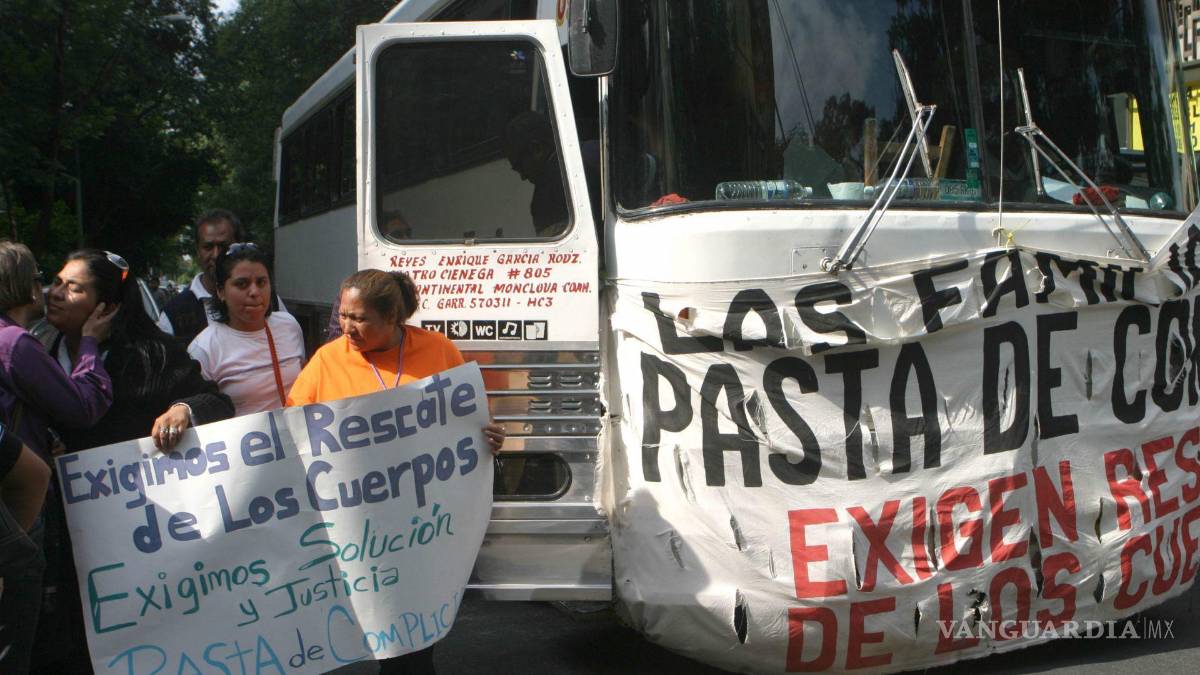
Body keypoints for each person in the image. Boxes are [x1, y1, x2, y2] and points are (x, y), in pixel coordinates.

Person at [287, 269, 504, 675]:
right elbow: (295, 426)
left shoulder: (438, 350)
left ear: (392, 318)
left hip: (421, 523)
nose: (347, 327)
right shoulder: (327, 359)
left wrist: (489, 437)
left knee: (411, 641)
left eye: (359, 318)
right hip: (358, 524)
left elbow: (469, 423)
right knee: (364, 623)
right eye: (344, 315)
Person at [0, 240, 115, 675]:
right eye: (42, 279)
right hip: (18, 495)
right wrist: (88, 345)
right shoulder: (16, 344)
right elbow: (83, 406)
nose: (48, 290)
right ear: (24, 288)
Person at [188, 243, 305, 416]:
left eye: (261, 282)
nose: (254, 292)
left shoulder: (289, 326)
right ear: (221, 292)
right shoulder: (204, 348)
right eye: (242, 284)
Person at [164, 209, 285, 343]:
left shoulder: (270, 302)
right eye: (208, 247)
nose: (216, 255)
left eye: (224, 246)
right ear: (198, 251)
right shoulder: (174, 314)